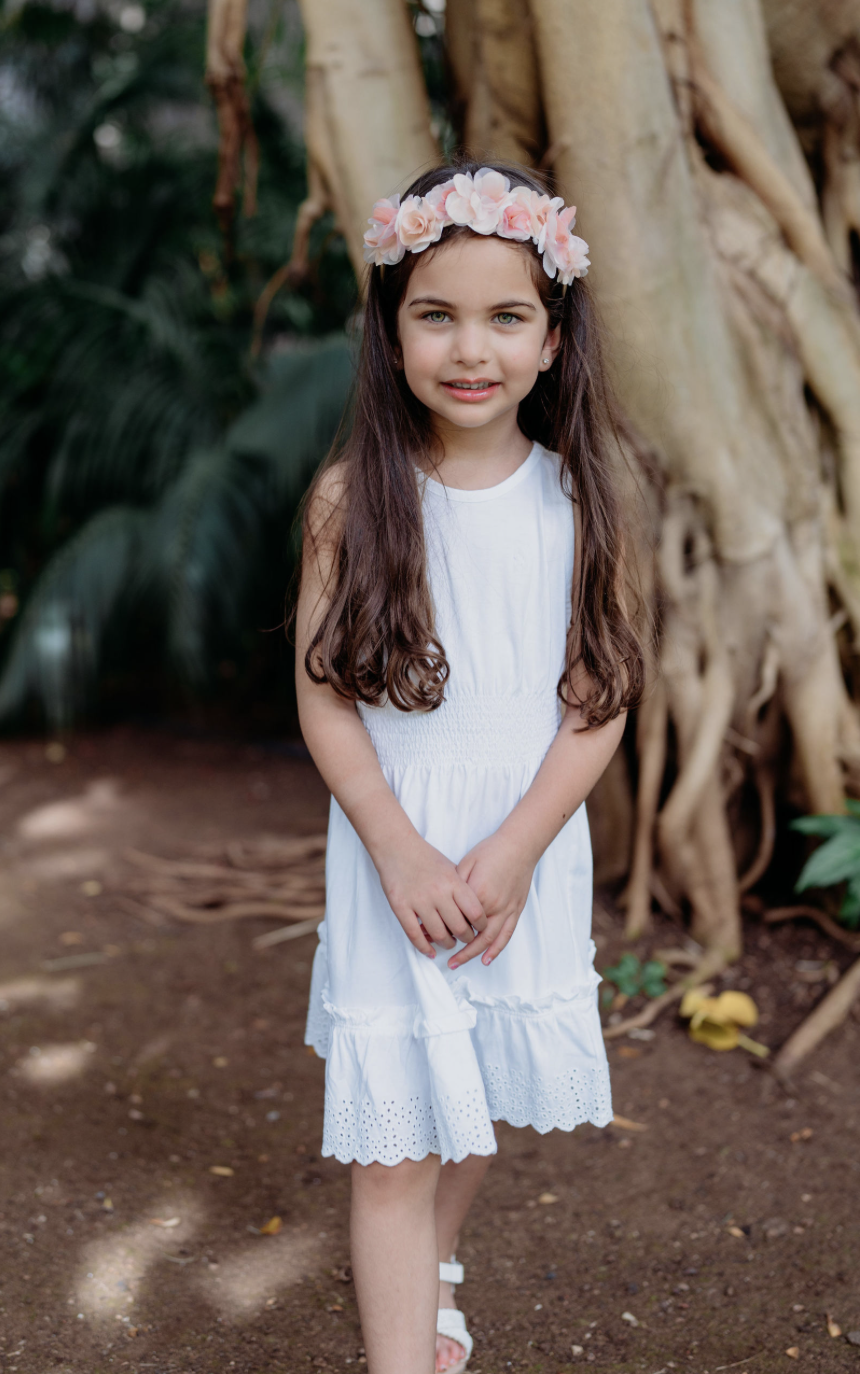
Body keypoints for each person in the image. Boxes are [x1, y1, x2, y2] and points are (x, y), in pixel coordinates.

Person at [296, 160, 645, 1374]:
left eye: (505, 317)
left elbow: (599, 702)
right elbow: (323, 695)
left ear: (552, 341)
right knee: (394, 1144)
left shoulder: (586, 497)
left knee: (482, 1092)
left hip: (520, 840)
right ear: (390, 331)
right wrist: (397, 848)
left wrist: (509, 856)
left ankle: (436, 1272)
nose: (469, 348)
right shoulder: (354, 499)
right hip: (397, 845)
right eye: (434, 313)